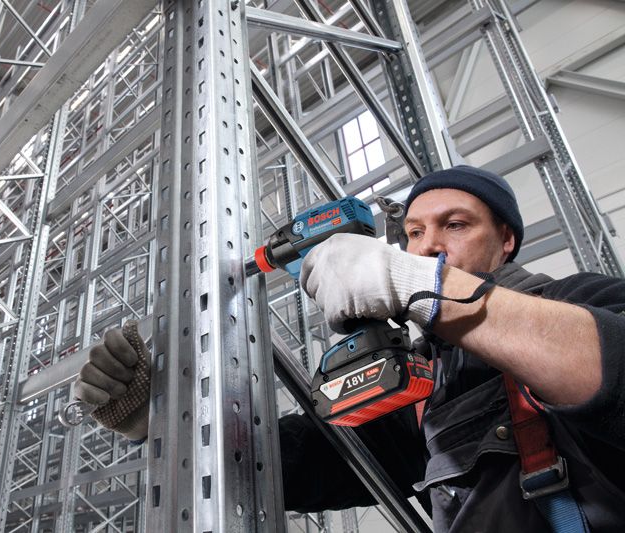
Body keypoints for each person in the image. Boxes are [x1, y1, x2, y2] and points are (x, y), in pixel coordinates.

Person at [74, 165, 625, 531]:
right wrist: (165, 417)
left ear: (506, 240)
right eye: (411, 233)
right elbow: (295, 463)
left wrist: (423, 288)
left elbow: (607, 361)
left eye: (454, 224)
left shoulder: (581, 300)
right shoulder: (428, 386)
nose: (428, 244)